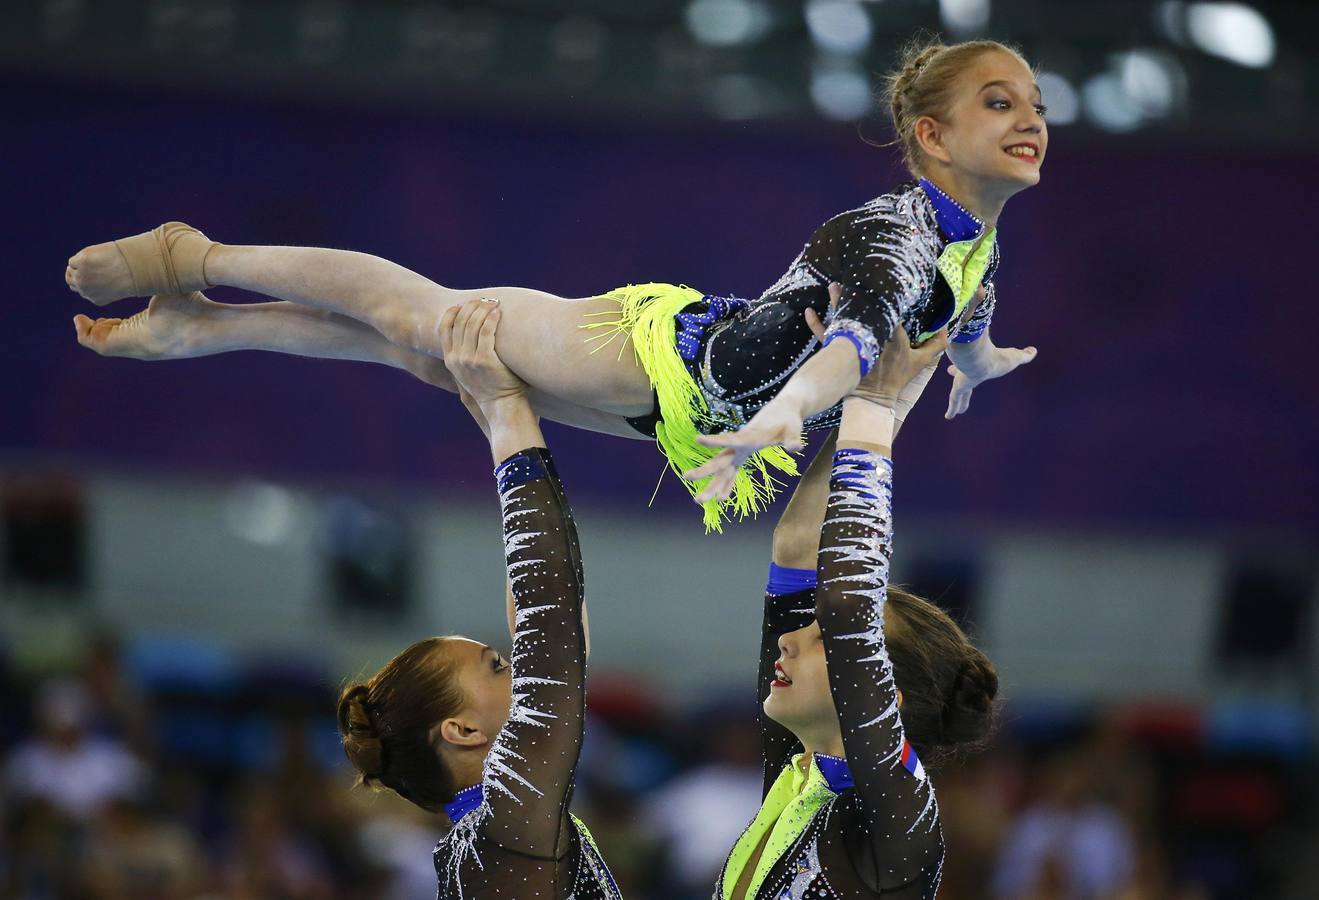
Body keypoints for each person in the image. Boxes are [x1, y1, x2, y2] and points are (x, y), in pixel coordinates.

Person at [64, 38, 1040, 528]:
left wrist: (977, 361)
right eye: (996, 103)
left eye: (1033, 104)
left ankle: (200, 331)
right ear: (931, 137)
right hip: (665, 351)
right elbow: (850, 344)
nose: (1028, 117)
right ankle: (195, 258)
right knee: (425, 315)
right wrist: (786, 416)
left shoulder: (972, 242)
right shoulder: (889, 238)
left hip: (672, 411)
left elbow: (968, 304)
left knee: (434, 361)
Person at [334, 298, 619, 898]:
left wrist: (499, 421)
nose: (519, 663)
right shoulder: (503, 839)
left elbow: (554, 629)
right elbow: (554, 628)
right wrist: (505, 415)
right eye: (498, 665)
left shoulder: (493, 840)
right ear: (461, 730)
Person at [716, 322, 998, 898]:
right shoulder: (806, 774)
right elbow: (799, 546)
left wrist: (870, 404)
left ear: (880, 697)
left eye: (825, 639)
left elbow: (847, 602)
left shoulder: (896, 818)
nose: (787, 641)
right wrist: (896, 388)